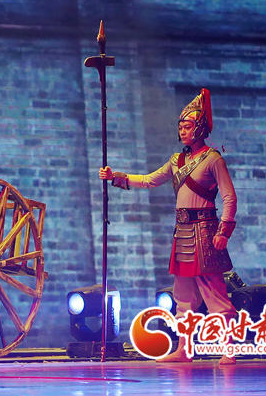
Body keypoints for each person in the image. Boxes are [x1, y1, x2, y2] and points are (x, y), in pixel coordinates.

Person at [98, 88, 238, 365]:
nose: (183, 131)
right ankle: (185, 349)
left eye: (188, 126)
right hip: (183, 233)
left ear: (200, 128)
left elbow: (229, 197)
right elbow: (149, 180)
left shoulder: (213, 159)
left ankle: (229, 348)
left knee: (214, 294)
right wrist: (116, 177)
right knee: (183, 297)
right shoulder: (177, 161)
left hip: (206, 232)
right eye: (181, 126)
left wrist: (224, 231)